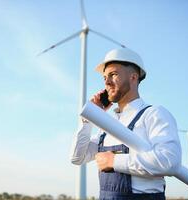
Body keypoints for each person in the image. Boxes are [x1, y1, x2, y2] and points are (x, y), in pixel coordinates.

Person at [70, 48, 181, 200]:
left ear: (133, 77)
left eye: (113, 75)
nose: (107, 82)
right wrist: (88, 119)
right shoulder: (107, 126)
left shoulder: (154, 114)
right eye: (104, 78)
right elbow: (77, 158)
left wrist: (114, 161)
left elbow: (170, 162)